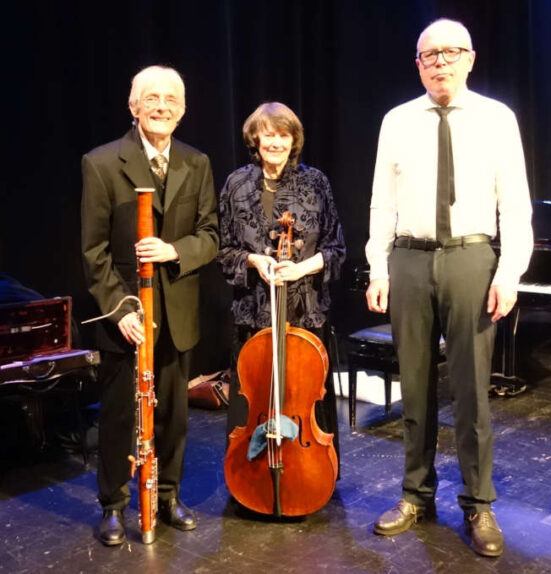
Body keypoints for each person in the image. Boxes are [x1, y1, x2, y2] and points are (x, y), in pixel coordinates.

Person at [365, 19, 533, 557]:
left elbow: (517, 205)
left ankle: (478, 503)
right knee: (414, 388)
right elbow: (381, 203)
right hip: (410, 260)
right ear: (418, 64)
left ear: (470, 58)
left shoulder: (497, 118)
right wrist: (378, 267)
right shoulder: (397, 121)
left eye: (450, 52)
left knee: (470, 393)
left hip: (471, 258)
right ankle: (416, 494)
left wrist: (508, 273)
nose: (440, 61)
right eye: (429, 54)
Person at [81, 65, 219, 545]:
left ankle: (167, 496)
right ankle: (114, 505)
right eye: (151, 98)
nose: (161, 106)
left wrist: (174, 249)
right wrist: (120, 311)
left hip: (177, 315)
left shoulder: (196, 162)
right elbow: (93, 252)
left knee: (173, 416)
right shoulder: (101, 163)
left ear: (182, 111)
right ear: (133, 106)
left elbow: (211, 237)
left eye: (171, 100)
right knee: (120, 414)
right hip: (127, 316)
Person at [218, 102, 345, 484]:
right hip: (252, 315)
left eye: (283, 134)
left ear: (295, 140)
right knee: (255, 401)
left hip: (305, 313)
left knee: (305, 403)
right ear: (254, 138)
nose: (275, 142)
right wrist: (256, 261)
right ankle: (252, 478)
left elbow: (338, 249)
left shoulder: (316, 182)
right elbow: (223, 250)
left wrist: (302, 267)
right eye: (267, 134)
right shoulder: (236, 184)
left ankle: (309, 478)